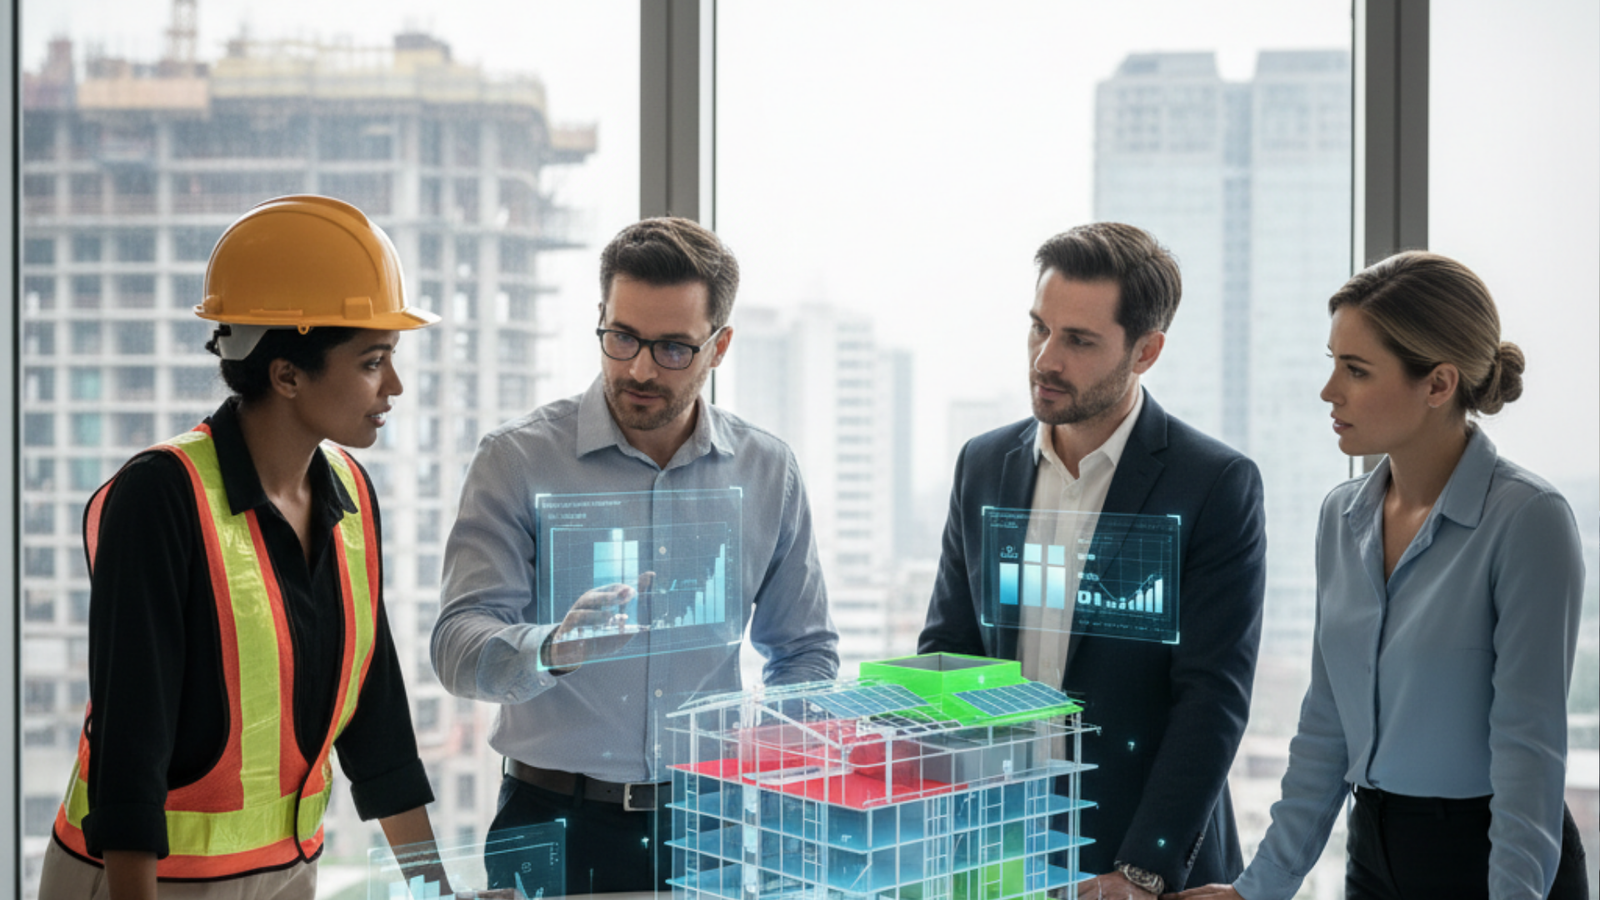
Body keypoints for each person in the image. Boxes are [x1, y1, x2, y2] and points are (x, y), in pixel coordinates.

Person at [38, 195, 460, 900]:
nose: (394, 386)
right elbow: (130, 742)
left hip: (287, 874)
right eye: (372, 362)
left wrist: (437, 893)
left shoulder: (349, 494)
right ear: (286, 374)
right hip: (139, 881)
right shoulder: (161, 496)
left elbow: (377, 722)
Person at [432, 216, 839, 893]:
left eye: (674, 348)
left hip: (711, 823)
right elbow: (456, 647)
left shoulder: (769, 471)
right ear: (600, 318)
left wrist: (778, 754)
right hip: (550, 819)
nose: (639, 368)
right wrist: (551, 648)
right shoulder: (518, 459)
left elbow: (805, 652)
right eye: (621, 338)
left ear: (721, 345)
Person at [1175, 252, 1589, 900]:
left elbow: (1527, 758)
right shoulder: (1341, 516)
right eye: (1332, 362)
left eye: (1356, 370)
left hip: (1492, 865)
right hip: (1372, 854)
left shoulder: (1529, 522)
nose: (1329, 391)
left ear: (1438, 383)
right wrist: (1256, 890)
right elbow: (1326, 729)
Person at [918, 222, 1267, 896]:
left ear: (1146, 351)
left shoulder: (1213, 484)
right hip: (1002, 854)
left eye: (1078, 341)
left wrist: (1141, 871)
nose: (1046, 359)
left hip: (1142, 866)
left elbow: (1212, 698)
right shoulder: (984, 465)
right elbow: (951, 648)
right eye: (1038, 329)